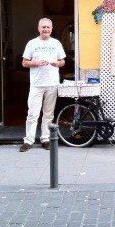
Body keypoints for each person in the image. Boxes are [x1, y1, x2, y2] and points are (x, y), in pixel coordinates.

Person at [20, 18, 66, 152]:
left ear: (51, 29)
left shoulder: (56, 43)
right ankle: (28, 140)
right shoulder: (32, 43)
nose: (45, 29)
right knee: (33, 113)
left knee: (48, 114)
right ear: (39, 28)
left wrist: (58, 64)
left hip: (52, 83)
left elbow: (62, 61)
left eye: (48, 27)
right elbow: (24, 62)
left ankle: (45, 139)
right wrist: (36, 63)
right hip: (36, 84)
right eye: (43, 27)